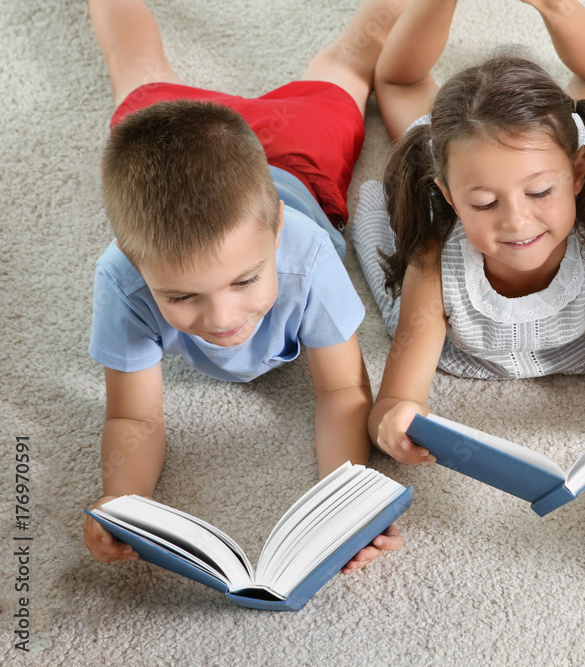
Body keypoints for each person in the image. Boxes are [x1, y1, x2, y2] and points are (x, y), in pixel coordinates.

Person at [82, 0, 408, 573]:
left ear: (279, 229)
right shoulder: (121, 276)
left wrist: (346, 505)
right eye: (182, 296)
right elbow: (133, 418)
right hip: (180, 139)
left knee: (352, 67)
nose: (222, 317)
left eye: (245, 280)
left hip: (298, 162)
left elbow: (341, 393)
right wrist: (123, 501)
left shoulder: (304, 254)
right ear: (134, 260)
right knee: (131, 62)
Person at [353, 0, 585, 465]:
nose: (516, 221)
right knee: (398, 85)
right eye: (485, 204)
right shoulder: (434, 257)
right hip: (470, 332)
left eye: (539, 192)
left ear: (577, 173)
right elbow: (392, 402)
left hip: (583, 320)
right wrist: (392, 422)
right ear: (451, 198)